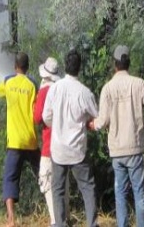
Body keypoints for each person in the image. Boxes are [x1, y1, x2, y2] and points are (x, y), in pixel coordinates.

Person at [90, 45, 144, 227]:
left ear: (115, 64)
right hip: (135, 147)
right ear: (128, 63)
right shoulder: (139, 83)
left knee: (120, 192)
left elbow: (102, 120)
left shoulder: (107, 88)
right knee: (139, 192)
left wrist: (92, 124)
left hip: (117, 149)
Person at [42, 50, 99, 227]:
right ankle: (92, 224)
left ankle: (60, 224)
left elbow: (46, 116)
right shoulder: (84, 92)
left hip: (58, 148)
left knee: (58, 189)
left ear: (65, 66)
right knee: (87, 188)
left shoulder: (54, 89)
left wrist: (57, 125)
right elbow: (97, 117)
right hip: (77, 150)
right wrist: (87, 122)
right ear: (79, 68)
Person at [0, 52, 40, 227]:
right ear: (28, 67)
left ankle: (11, 219)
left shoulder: (8, 81)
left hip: (14, 141)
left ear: (15, 66)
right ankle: (56, 214)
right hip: (30, 140)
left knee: (10, 178)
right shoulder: (33, 84)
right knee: (44, 176)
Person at [33, 56, 62, 226]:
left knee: (47, 182)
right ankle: (63, 218)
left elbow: (37, 118)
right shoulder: (62, 88)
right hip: (64, 144)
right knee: (61, 182)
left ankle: (55, 220)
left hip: (49, 144)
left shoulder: (44, 91)